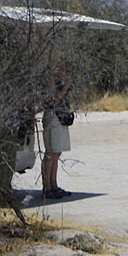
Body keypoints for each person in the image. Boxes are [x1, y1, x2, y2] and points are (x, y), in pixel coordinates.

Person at [41, 62, 72, 199]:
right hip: (53, 116)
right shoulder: (50, 79)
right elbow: (53, 100)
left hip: (61, 116)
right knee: (51, 153)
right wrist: (65, 87)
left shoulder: (61, 78)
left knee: (57, 153)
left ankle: (54, 185)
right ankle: (47, 187)